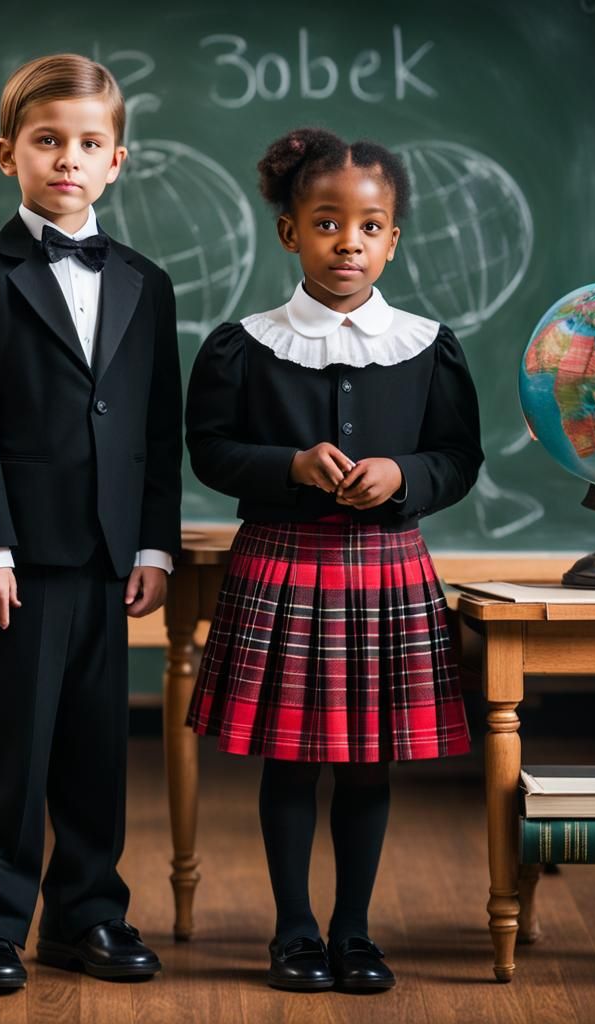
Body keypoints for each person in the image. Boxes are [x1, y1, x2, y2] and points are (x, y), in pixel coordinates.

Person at [185, 127, 483, 993]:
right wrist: (288, 466)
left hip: (388, 567)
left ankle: (354, 931)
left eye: (369, 226)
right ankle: (293, 931)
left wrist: (403, 476)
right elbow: (208, 452)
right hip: (282, 565)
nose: (347, 242)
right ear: (290, 234)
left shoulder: (429, 345)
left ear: (393, 238)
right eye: (326, 223)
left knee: (367, 760)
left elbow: (458, 460)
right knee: (292, 757)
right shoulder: (242, 344)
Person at [0, 53, 182, 991]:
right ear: (8, 155)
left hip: (111, 555)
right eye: (47, 141)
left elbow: (158, 426)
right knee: (9, 748)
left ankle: (87, 916)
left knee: (94, 748)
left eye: (88, 143)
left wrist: (154, 544)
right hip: (17, 560)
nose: (67, 159)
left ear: (117, 160)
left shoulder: (148, 284)